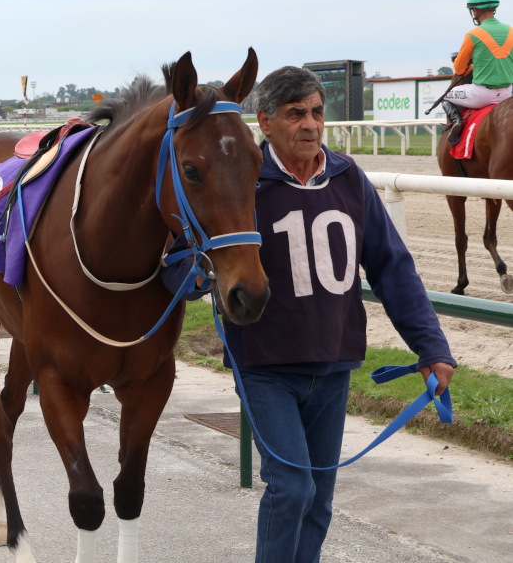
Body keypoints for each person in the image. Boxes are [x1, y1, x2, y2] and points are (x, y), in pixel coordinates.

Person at [164, 67, 456, 562]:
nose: (310, 124)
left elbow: (393, 268)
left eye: (317, 113)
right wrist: (194, 278)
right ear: (266, 121)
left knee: (319, 500)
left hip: (334, 362)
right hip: (265, 368)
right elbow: (177, 261)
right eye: (296, 113)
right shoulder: (242, 181)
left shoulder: (349, 179)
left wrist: (431, 347)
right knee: (292, 488)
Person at [443, 0, 513, 144]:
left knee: (447, 95)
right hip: (508, 93)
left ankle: (456, 124)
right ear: (494, 8)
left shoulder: (472, 35)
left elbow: (459, 70)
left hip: (482, 95)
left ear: (475, 10)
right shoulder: (511, 31)